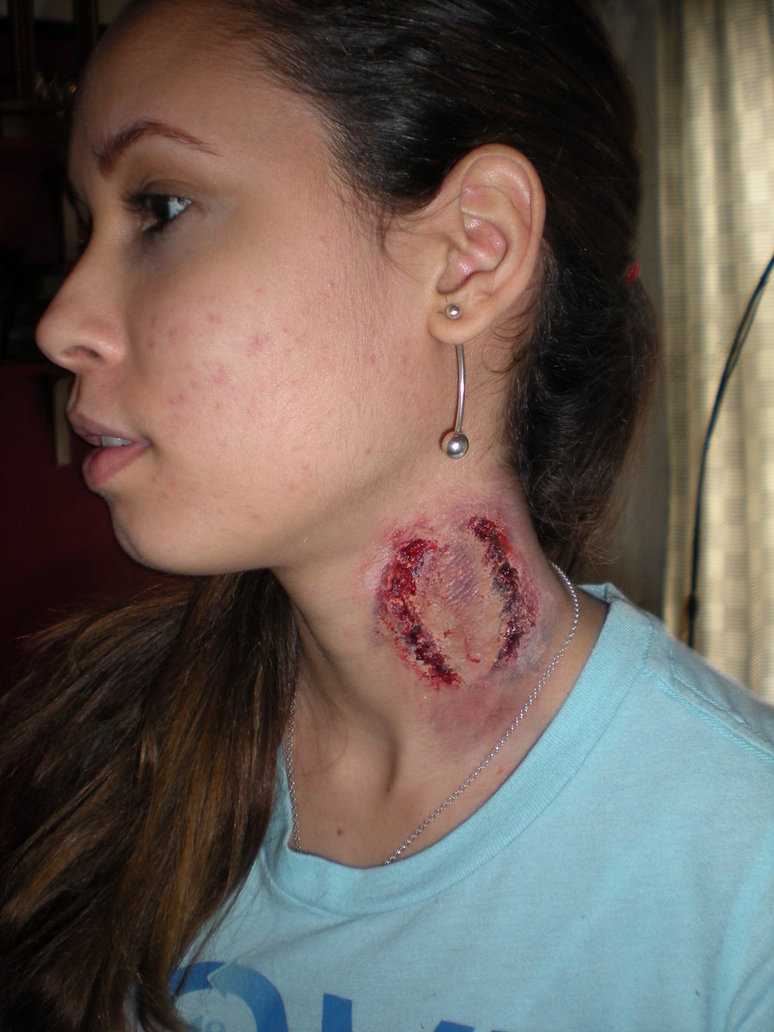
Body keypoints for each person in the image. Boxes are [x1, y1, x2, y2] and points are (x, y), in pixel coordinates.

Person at [1, 0, 772, 1029]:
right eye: (85, 225)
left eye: (161, 208)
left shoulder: (740, 882)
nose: (62, 324)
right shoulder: (121, 752)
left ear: (468, 255)